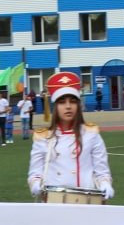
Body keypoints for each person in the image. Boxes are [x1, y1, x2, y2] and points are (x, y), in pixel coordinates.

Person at [26, 72, 113, 202]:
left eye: (73, 101)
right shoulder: (43, 137)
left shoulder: (91, 134)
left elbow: (102, 171)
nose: (68, 106)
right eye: (62, 102)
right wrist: (36, 185)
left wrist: (105, 184)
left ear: (78, 105)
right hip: (54, 203)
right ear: (55, 107)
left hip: (86, 202)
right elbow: (35, 173)